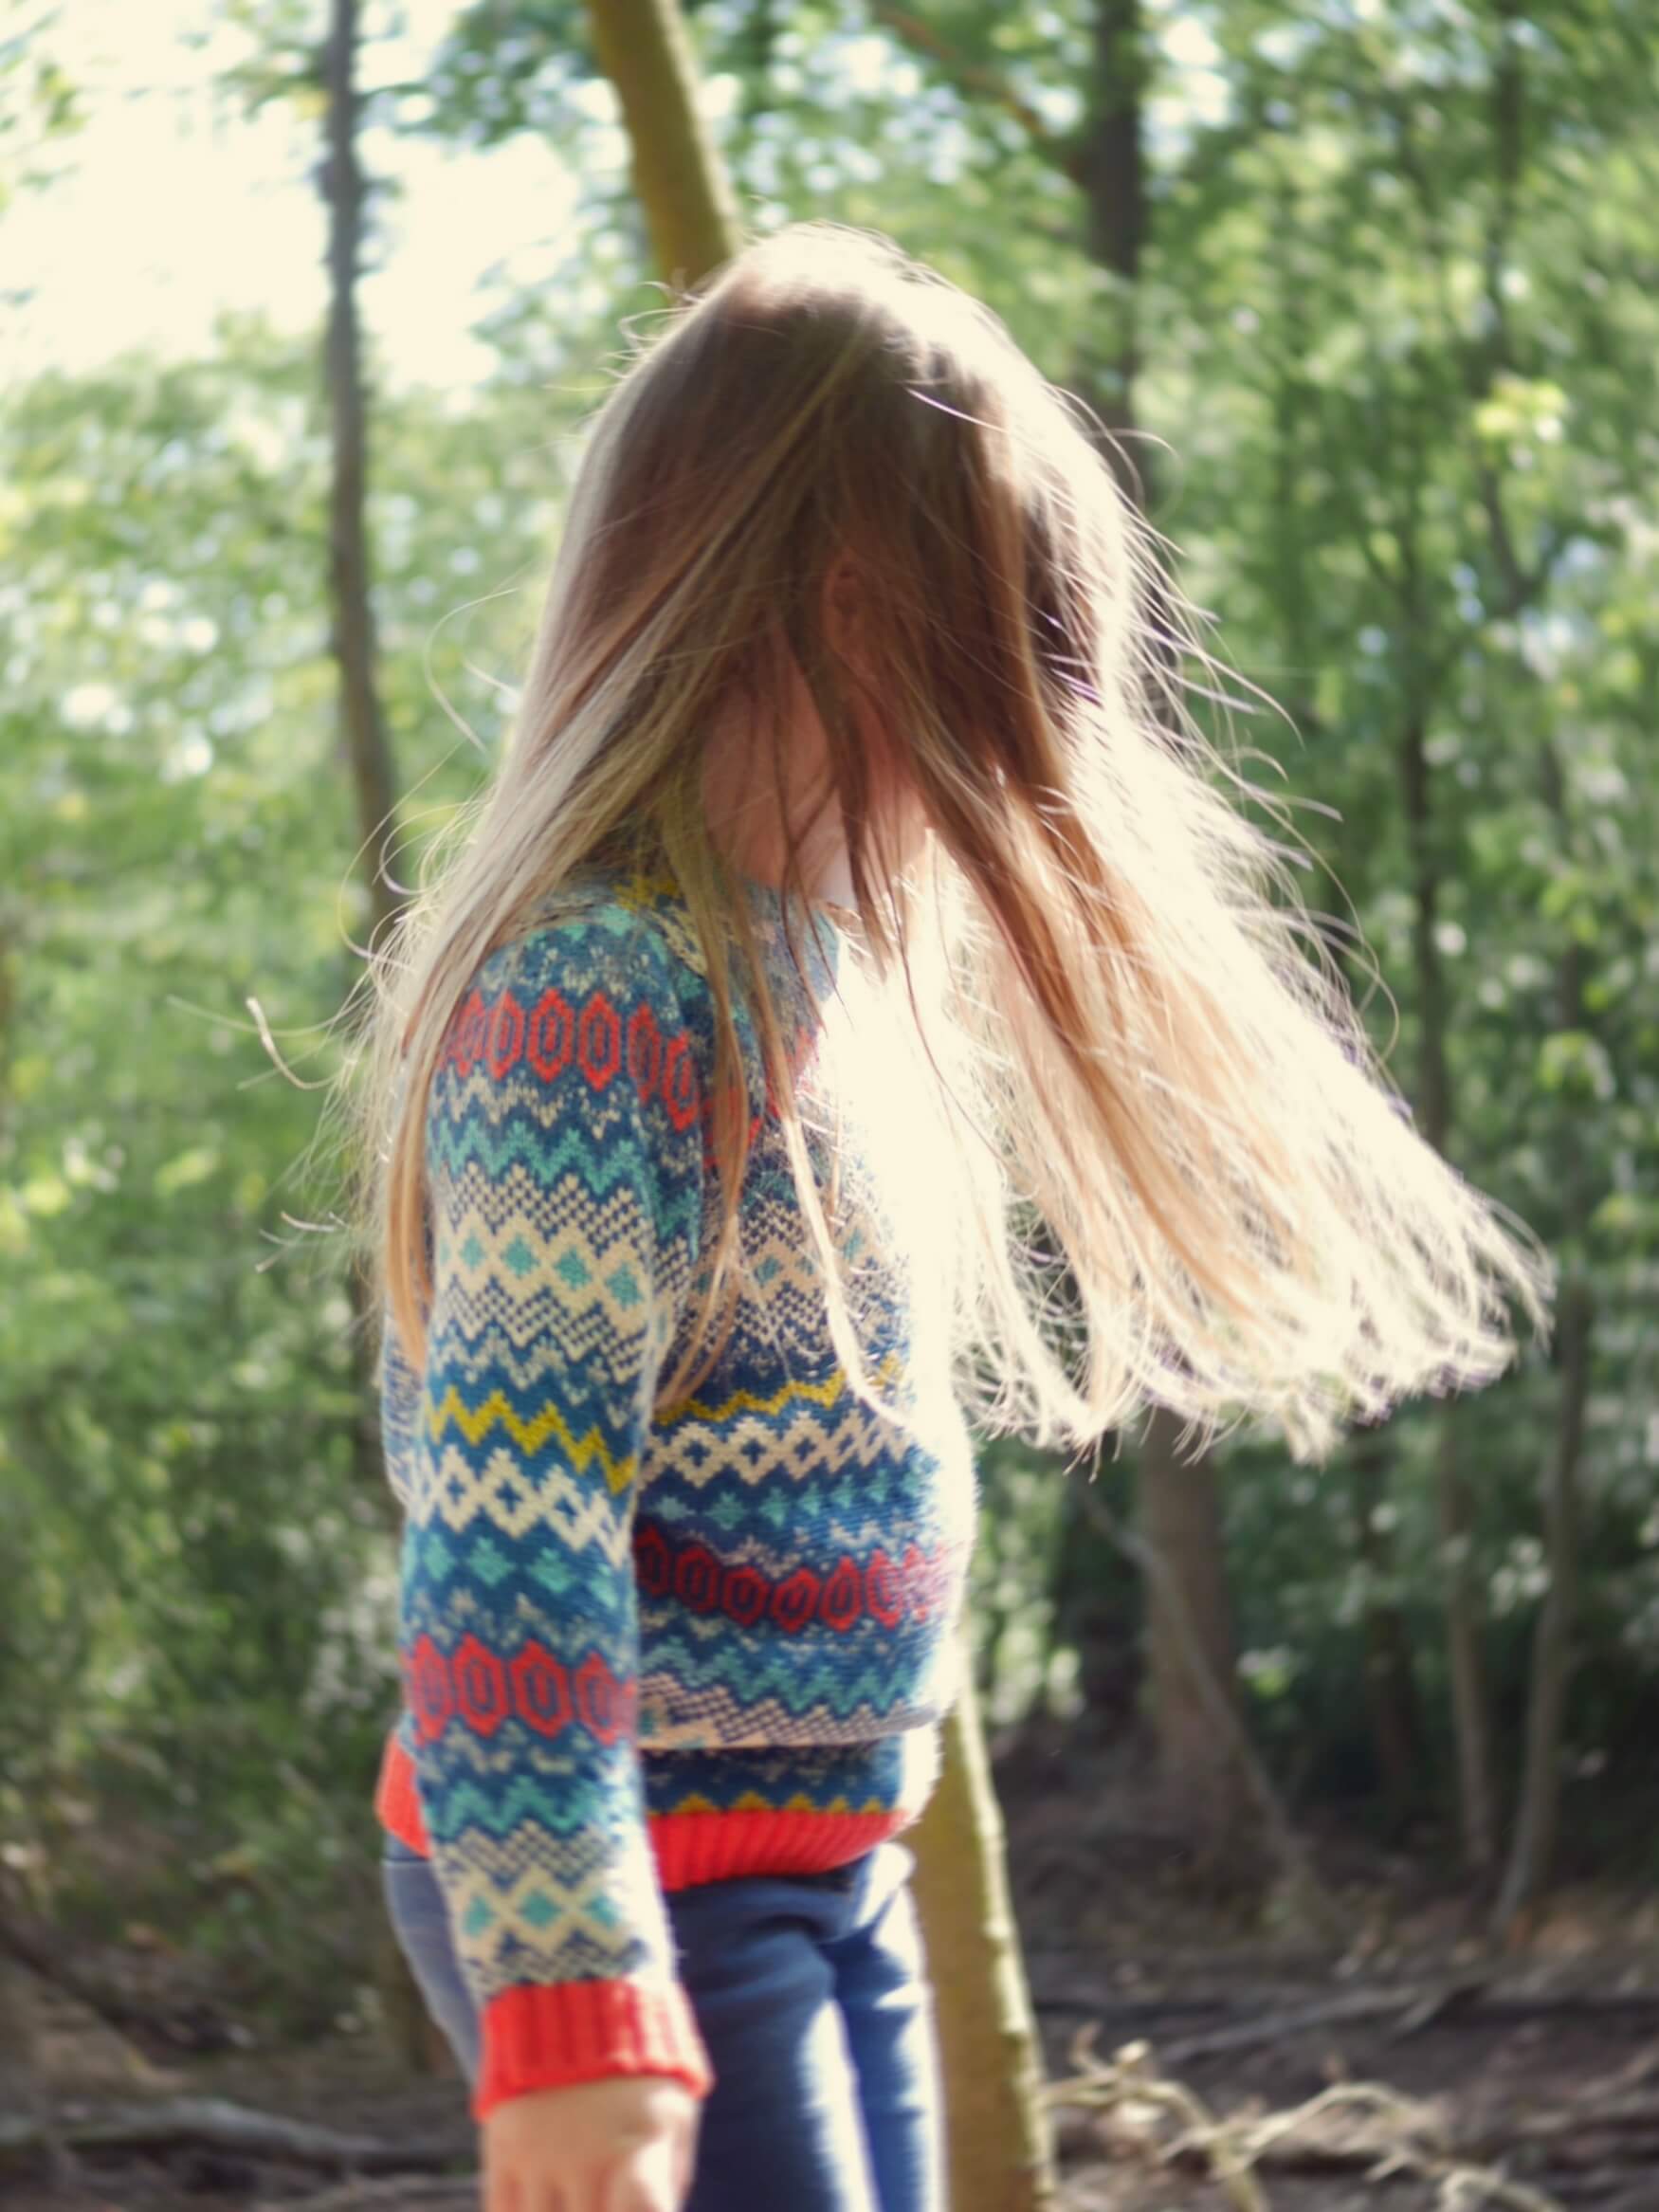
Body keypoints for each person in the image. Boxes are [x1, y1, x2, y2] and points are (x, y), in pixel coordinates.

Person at [349, 223, 1553, 2212]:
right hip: (635, 1882)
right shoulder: (599, 1003)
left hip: (825, 1863)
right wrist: (571, 1995)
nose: (1029, 755)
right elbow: (506, 1531)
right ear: (842, 609)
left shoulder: (802, 967)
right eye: (1007, 674)